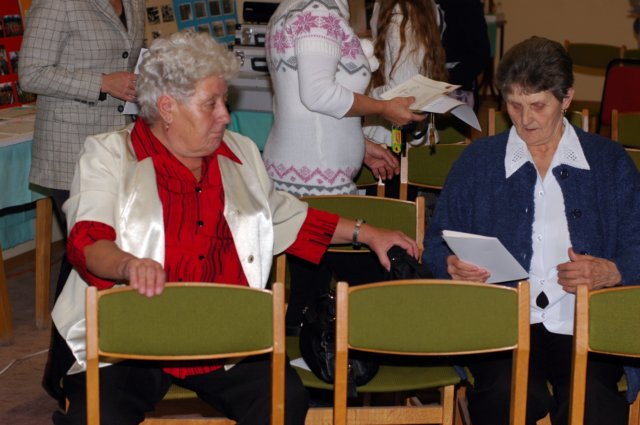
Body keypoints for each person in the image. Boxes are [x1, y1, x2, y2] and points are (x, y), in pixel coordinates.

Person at [50, 30, 419, 425]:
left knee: (283, 403)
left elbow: (285, 216)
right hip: (131, 336)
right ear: (168, 107)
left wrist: (366, 233)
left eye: (224, 101)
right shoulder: (109, 155)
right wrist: (127, 265)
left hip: (225, 333)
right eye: (211, 104)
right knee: (98, 416)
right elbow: (88, 241)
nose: (225, 115)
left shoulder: (239, 153)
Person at [424, 36, 640, 425]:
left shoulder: (609, 163)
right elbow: (435, 243)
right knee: (505, 393)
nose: (525, 120)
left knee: (592, 400)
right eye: (514, 105)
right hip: (502, 325)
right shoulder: (478, 161)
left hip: (586, 325)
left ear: (567, 97)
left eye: (538, 105)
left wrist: (612, 271)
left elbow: (637, 245)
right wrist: (450, 265)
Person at [263, 0, 426, 333]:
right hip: (319, 181)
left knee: (308, 301)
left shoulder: (295, 7)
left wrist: (359, 144)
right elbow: (318, 95)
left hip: (299, 171)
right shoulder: (318, 11)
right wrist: (384, 108)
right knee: (380, 296)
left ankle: (307, 361)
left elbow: (300, 105)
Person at [18, 0, 145, 403]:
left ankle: (82, 369)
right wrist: (102, 82)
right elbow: (31, 73)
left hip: (118, 147)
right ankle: (66, 375)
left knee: (90, 260)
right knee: (85, 260)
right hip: (69, 151)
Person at [363, 0, 448, 196]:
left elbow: (402, 90)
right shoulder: (422, 6)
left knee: (387, 208)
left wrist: (362, 98)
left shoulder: (402, 12)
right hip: (399, 131)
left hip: (390, 133)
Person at [433, 0, 491, 110]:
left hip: (457, 88)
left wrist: (446, 77)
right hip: (426, 85)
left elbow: (480, 55)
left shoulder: (467, 5)